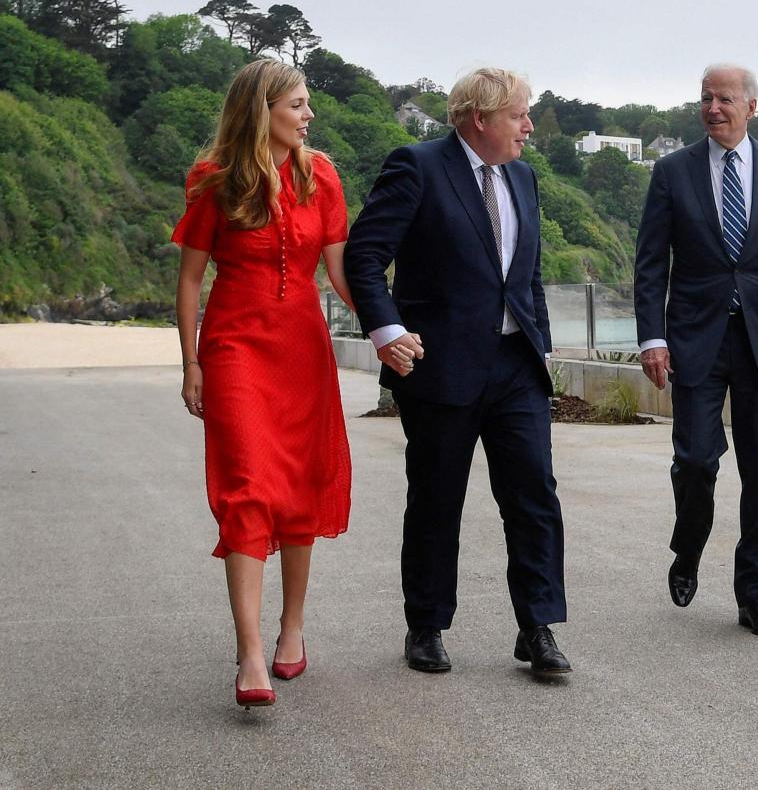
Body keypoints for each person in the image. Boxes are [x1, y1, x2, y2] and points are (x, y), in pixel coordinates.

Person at [343, 67, 570, 677]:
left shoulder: (523, 176)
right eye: (519, 115)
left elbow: (528, 276)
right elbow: (365, 255)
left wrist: (540, 343)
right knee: (437, 500)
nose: (529, 127)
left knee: (534, 498)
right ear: (481, 118)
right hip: (439, 365)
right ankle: (427, 626)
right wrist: (387, 331)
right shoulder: (416, 165)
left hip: (516, 365)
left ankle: (538, 627)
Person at [173, 59, 354, 708]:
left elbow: (340, 273)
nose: (309, 116)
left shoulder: (322, 174)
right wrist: (190, 361)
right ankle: (249, 651)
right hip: (234, 348)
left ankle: (292, 625)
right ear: (264, 109)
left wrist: (392, 323)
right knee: (248, 487)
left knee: (300, 488)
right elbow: (191, 278)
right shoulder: (213, 179)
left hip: (302, 349)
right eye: (299, 104)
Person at [633, 64, 758, 637]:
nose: (713, 108)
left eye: (724, 99)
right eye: (705, 99)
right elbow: (650, 263)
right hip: (693, 337)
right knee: (695, 459)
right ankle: (688, 545)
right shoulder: (672, 172)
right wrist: (652, 337)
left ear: (751, 106)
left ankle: (756, 595)